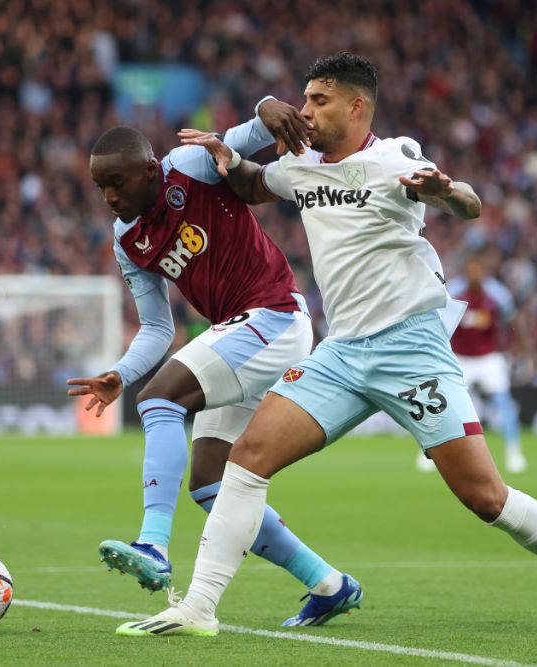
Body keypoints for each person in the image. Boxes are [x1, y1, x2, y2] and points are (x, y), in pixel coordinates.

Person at [117, 52, 537, 637]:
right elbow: (255, 185)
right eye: (304, 99)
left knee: (486, 497)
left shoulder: (394, 157)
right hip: (341, 353)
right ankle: (199, 609)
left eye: (318, 101)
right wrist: (226, 157)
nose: (306, 110)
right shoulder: (301, 165)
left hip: (412, 350)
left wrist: (446, 190)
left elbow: (469, 205)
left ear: (356, 106)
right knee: (247, 459)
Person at [65, 98, 362, 627]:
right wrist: (120, 372)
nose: (110, 197)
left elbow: (250, 133)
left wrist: (268, 107)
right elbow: (158, 328)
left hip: (272, 315)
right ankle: (329, 583)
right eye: (100, 187)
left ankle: (153, 546)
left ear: (149, 170)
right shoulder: (127, 241)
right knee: (210, 484)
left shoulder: (189, 167)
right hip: (242, 334)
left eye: (118, 183)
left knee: (159, 399)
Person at [416, 256, 528, 474]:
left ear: (483, 273)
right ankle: (430, 453)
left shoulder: (497, 294)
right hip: (460, 358)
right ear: (466, 272)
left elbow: (514, 319)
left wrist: (525, 349)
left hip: (489, 358)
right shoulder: (453, 292)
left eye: (478, 271)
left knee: (503, 403)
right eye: (471, 271)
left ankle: (514, 451)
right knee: (440, 404)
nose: (474, 275)